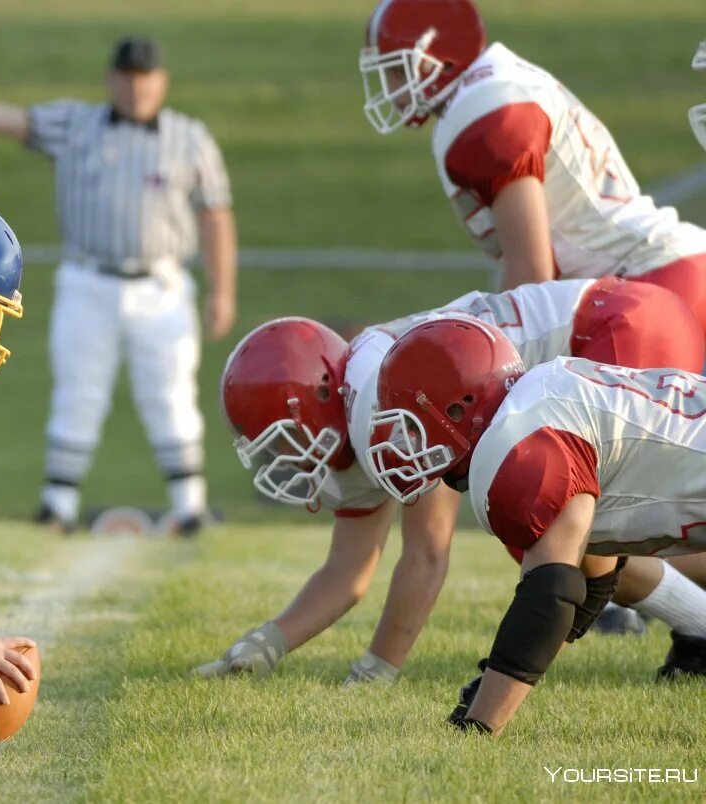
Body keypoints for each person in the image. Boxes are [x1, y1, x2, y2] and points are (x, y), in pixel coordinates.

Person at [195, 275, 706, 683]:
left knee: (571, 531)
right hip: (616, 322)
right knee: (574, 533)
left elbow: (426, 554)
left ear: (324, 395)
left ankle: (696, 624)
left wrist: (378, 670)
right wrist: (263, 646)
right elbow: (347, 571)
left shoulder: (385, 410)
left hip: (614, 325)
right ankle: (698, 624)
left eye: (285, 439)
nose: (288, 457)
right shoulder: (362, 406)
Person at [0, 35, 238, 533]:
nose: (135, 86)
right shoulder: (78, 125)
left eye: (145, 76)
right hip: (89, 278)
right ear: (111, 79)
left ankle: (190, 504)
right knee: (79, 390)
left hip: (162, 282)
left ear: (161, 81)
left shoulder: (190, 138)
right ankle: (58, 504)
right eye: (126, 75)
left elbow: (215, 214)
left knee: (170, 392)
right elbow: (5, 119)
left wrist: (222, 289)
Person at [366, 316, 706, 734]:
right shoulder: (543, 397)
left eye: (411, 425)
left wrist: (479, 723)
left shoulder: (519, 437)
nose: (408, 445)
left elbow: (551, 592)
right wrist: (498, 681)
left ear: (458, 407)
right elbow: (591, 579)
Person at [361, 0, 706, 331]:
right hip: (661, 277)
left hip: (646, 287)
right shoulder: (496, 85)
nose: (391, 89)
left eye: (396, 70)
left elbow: (531, 275)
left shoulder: (483, 110)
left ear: (440, 59)